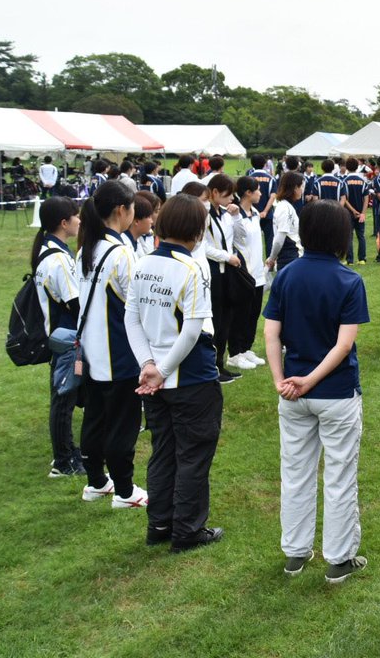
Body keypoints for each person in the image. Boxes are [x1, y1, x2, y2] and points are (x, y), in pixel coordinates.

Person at [265, 200, 371, 583]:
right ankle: (338, 558)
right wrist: (306, 380)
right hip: (335, 392)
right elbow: (344, 345)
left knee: (295, 471)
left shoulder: (287, 275)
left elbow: (271, 333)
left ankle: (295, 552)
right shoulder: (348, 280)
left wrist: (283, 379)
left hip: (294, 391)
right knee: (340, 475)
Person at [125, 194, 224, 553]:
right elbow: (193, 328)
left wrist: (148, 365)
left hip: (156, 375)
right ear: (198, 230)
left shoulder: (141, 264)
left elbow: (131, 318)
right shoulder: (193, 268)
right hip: (190, 377)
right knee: (193, 454)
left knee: (163, 450)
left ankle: (160, 524)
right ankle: (187, 531)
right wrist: (159, 369)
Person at [76, 180, 147, 509]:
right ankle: (124, 490)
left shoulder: (85, 248)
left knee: (95, 419)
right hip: (119, 353)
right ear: (123, 210)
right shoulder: (120, 252)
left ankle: (96, 482)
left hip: (91, 352)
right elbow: (136, 305)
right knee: (122, 424)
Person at [33, 196, 83, 477]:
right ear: (64, 223)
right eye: (76, 216)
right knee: (63, 401)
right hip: (65, 340)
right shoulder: (59, 260)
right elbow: (74, 302)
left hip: (60, 337)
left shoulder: (48, 251)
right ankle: (63, 462)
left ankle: (69, 453)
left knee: (64, 398)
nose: (79, 221)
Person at [204, 175, 242, 383]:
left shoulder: (225, 213)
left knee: (227, 317)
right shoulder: (205, 213)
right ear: (215, 193)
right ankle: (213, 366)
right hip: (214, 271)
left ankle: (220, 363)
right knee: (216, 319)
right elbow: (204, 246)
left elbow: (239, 237)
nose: (231, 199)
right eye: (227, 195)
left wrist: (236, 217)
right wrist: (227, 257)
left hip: (227, 271)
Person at [228, 176, 268, 371]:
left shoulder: (255, 213)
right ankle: (235, 353)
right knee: (240, 315)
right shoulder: (234, 215)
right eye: (258, 190)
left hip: (258, 273)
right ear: (247, 193)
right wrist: (235, 216)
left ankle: (246, 348)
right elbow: (237, 239)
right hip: (244, 274)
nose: (261, 193)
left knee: (253, 314)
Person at [266, 172, 305, 272]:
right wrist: (272, 258)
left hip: (292, 257)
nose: (302, 190)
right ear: (295, 188)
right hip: (289, 257)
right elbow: (279, 238)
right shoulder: (284, 208)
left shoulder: (287, 206)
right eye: (301, 187)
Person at [340, 157, 370, 265]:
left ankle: (350, 260)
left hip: (348, 213)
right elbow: (366, 198)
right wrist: (363, 213)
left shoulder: (344, 181)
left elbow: (344, 199)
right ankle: (362, 259)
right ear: (357, 167)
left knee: (349, 236)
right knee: (361, 236)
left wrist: (353, 210)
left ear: (347, 167)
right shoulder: (363, 182)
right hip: (360, 213)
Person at [249, 155, 278, 258]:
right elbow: (273, 196)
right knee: (269, 240)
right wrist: (265, 211)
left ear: (251, 163)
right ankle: (269, 265)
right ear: (265, 164)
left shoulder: (249, 177)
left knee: (252, 241)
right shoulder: (271, 178)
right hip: (267, 214)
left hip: (250, 214)